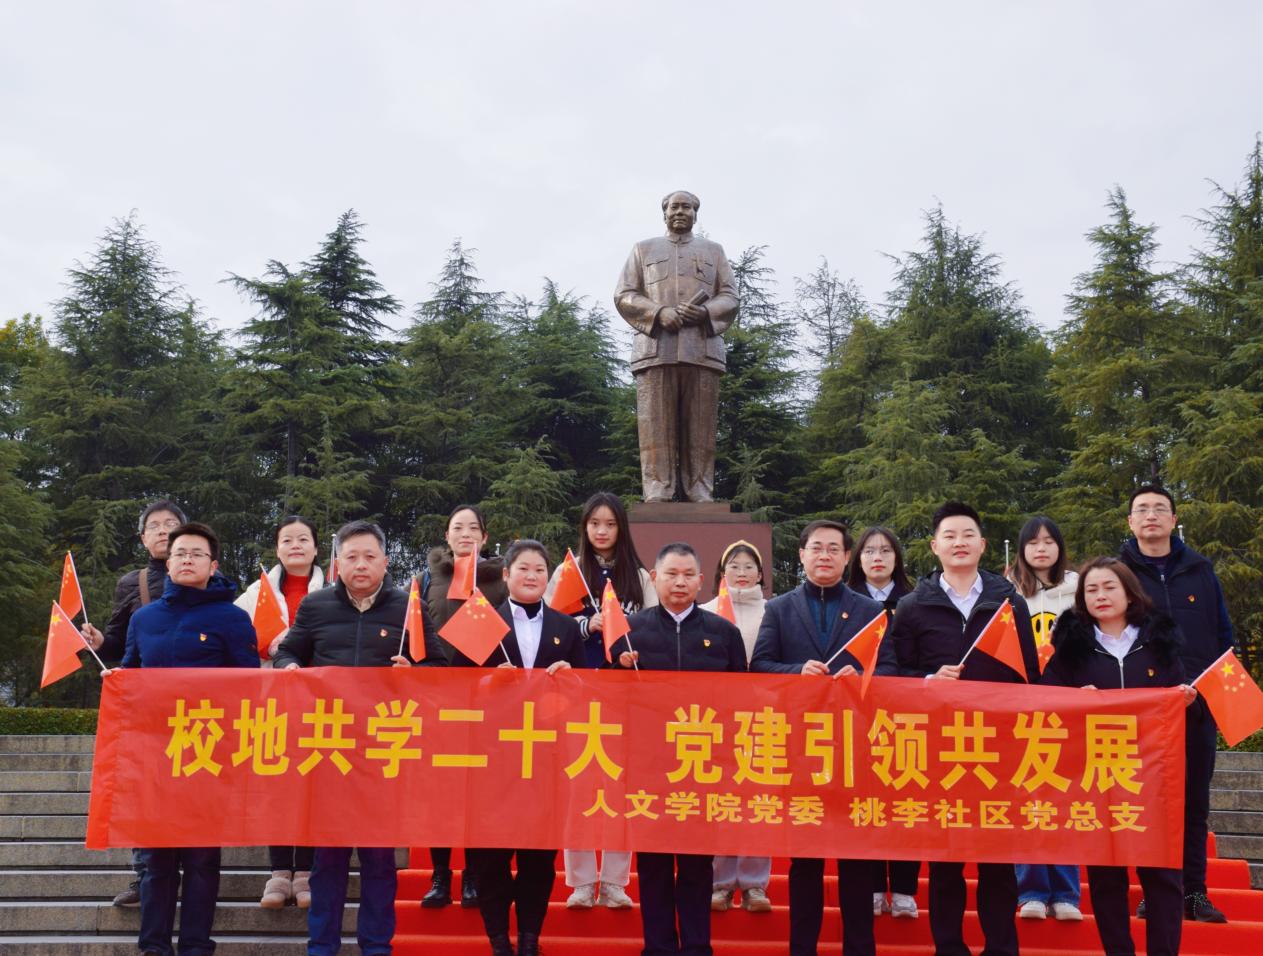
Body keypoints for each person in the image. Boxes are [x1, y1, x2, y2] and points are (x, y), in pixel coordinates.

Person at [273, 520, 445, 956]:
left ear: (386, 562)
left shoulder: (409, 607)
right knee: (327, 860)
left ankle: (376, 946)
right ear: (338, 562)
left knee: (379, 861)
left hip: (384, 754)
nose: (361, 565)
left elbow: (439, 667)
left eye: (370, 556)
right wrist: (289, 667)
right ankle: (322, 946)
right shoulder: (315, 606)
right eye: (351, 557)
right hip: (330, 751)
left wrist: (416, 672)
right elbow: (290, 650)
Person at [889, 501, 1040, 956]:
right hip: (939, 749)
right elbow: (893, 674)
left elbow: (1028, 675)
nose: (959, 543)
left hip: (997, 747)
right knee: (945, 861)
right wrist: (927, 680)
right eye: (950, 536)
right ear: (934, 546)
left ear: (983, 545)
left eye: (968, 535)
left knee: (997, 859)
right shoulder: (912, 606)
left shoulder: (1008, 602)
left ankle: (1001, 946)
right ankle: (949, 946)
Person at [107, 521, 259, 956]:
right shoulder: (144, 618)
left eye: (196, 554)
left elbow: (249, 688)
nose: (187, 560)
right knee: (156, 861)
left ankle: (196, 946)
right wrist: (117, 680)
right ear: (168, 562)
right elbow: (132, 673)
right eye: (180, 553)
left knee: (201, 861)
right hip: (153, 756)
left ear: (213, 565)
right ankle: (153, 947)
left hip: (206, 757)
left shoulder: (233, 619)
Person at [751, 520, 892, 956]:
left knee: (857, 859)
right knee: (805, 861)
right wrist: (797, 672)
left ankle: (860, 948)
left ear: (847, 557)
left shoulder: (870, 611)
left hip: (856, 749)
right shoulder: (780, 608)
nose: (825, 555)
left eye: (834, 549)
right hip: (802, 748)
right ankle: (802, 948)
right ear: (802, 555)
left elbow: (891, 670)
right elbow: (760, 667)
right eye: (816, 548)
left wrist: (862, 676)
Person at [1042, 556, 1195, 956]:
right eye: (1091, 590)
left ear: (1129, 593)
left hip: (1154, 777)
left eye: (1109, 587)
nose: (1101, 596)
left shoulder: (1159, 642)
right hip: (1098, 775)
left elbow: (1179, 695)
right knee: (1106, 877)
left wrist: (1185, 698)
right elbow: (1046, 703)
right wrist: (1073, 700)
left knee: (1162, 875)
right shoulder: (1070, 649)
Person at [451, 539, 586, 956]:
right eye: (523, 568)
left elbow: (586, 692)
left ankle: (530, 938)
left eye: (540, 570)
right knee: (489, 857)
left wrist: (572, 678)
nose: (532, 576)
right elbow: (453, 686)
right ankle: (498, 940)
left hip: (546, 759)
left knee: (538, 858)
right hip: (490, 760)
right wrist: (487, 682)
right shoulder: (480, 621)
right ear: (506, 574)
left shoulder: (566, 627)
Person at [612, 542, 746, 956]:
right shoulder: (630, 631)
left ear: (702, 581)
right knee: (653, 865)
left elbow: (741, 700)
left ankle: (697, 946)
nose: (680, 582)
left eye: (689, 575)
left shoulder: (723, 633)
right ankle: (657, 947)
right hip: (647, 768)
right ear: (655, 578)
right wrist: (617, 667)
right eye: (671, 574)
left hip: (702, 767)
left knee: (695, 864)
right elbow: (606, 699)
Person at [1119, 484, 1234, 924]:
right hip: (1143, 708)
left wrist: (1207, 687)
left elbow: (1223, 636)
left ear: (1173, 519)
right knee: (1149, 803)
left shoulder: (1201, 571)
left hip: (1197, 703)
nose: (1150, 515)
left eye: (1159, 509)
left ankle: (1195, 892)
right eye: (1142, 509)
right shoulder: (1119, 573)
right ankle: (1157, 892)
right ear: (1131, 522)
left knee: (1194, 803)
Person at [544, 491, 655, 910]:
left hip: (624, 694)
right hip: (579, 691)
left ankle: (613, 881)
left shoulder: (639, 577)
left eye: (610, 524)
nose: (602, 532)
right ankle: (580, 881)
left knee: (620, 788)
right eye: (595, 524)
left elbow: (652, 625)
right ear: (584, 527)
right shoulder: (568, 571)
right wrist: (584, 626)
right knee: (579, 787)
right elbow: (550, 622)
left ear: (621, 528)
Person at [80, 498, 187, 908]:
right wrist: (98, 642)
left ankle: (192, 874)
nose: (163, 530)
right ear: (143, 538)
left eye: (171, 523)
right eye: (154, 525)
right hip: (147, 706)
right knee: (144, 792)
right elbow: (119, 644)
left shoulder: (208, 577)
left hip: (199, 707)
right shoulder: (133, 583)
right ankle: (146, 878)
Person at [614, 189, 740, 502]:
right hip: (655, 349)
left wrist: (705, 312)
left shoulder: (714, 251)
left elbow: (730, 296)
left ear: (695, 214)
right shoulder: (643, 249)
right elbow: (625, 294)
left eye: (686, 207)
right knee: (654, 425)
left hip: (702, 350)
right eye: (674, 207)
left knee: (701, 427)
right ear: (665, 213)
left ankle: (700, 489)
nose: (680, 212)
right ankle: (658, 489)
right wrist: (658, 312)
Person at [234, 515, 326, 910]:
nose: (295, 546)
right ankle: (278, 871)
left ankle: (305, 871)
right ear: (277, 548)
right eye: (287, 540)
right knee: (275, 785)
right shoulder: (256, 592)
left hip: (318, 703)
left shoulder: (334, 590)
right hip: (269, 701)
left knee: (311, 785)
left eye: (303, 539)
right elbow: (236, 640)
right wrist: (273, 646)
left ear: (316, 548)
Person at [421, 503, 507, 908]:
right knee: (439, 792)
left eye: (473, 528)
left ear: (485, 537)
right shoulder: (427, 577)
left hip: (485, 699)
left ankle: (473, 874)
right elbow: (414, 629)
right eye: (458, 527)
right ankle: (440, 875)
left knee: (477, 792)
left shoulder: (499, 579)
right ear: (447, 535)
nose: (465, 534)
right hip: (438, 698)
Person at [1005, 516, 1083, 922]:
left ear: (1059, 547)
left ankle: (1066, 892)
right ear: (1021, 550)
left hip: (1066, 707)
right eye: (1033, 542)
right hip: (1020, 709)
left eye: (1049, 541)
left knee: (1064, 798)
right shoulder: (1006, 593)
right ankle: (1032, 889)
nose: (1041, 549)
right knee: (1026, 798)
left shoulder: (1078, 592)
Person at [843, 526, 920, 922]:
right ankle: (873, 885)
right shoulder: (847, 601)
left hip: (907, 712)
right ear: (857, 558)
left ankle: (904, 888)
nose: (878, 557)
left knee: (905, 799)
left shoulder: (915, 600)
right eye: (870, 551)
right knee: (867, 800)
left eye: (886, 550)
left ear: (897, 558)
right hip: (858, 714)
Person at [701, 540, 772, 914]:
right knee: (723, 802)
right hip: (717, 720)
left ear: (760, 574)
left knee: (759, 801)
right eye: (734, 566)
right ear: (721, 572)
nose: (741, 573)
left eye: (748, 566)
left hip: (764, 719)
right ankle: (722, 882)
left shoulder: (775, 612)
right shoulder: (705, 612)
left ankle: (755, 884)